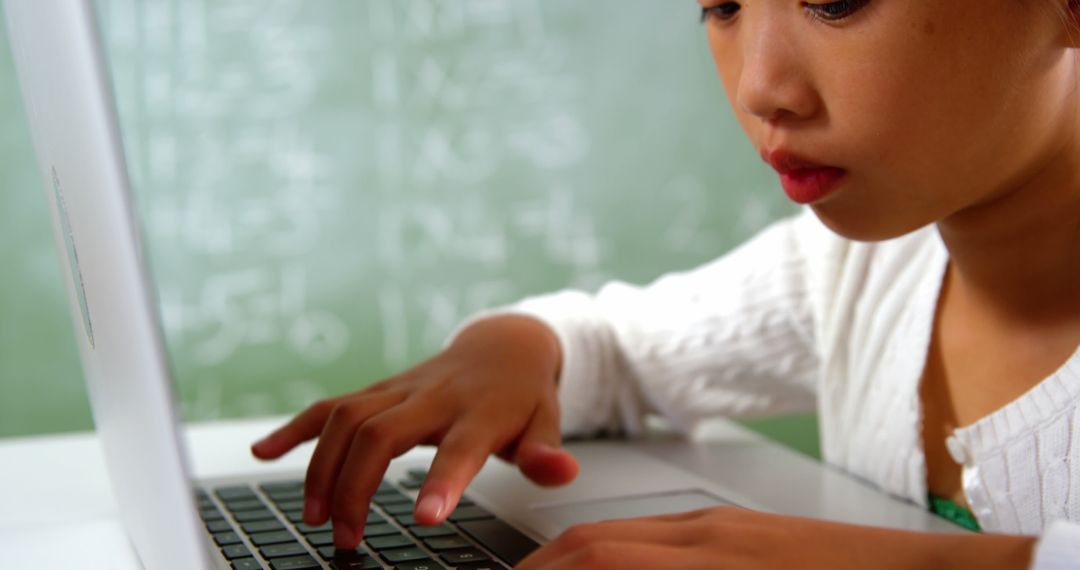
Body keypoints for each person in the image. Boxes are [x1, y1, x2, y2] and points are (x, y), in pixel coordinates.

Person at [251, 0, 1080, 567]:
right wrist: (514, 347)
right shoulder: (852, 271)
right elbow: (613, 346)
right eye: (722, 6)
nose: (760, 87)